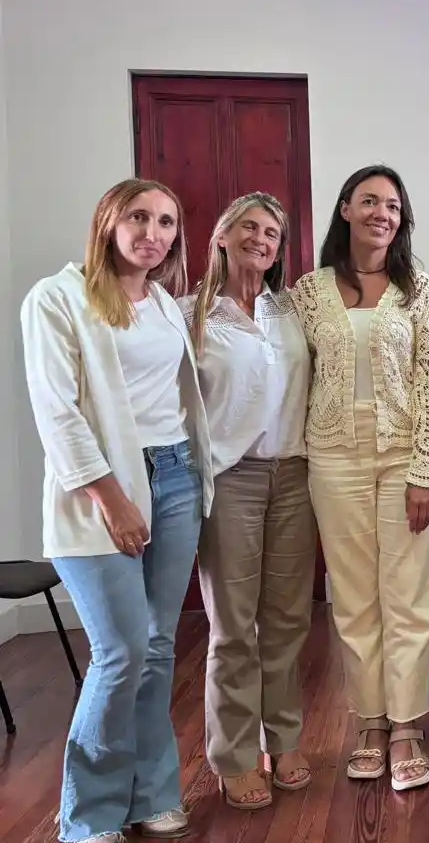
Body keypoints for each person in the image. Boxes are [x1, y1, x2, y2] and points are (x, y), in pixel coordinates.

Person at [21, 178, 213, 843]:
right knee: (120, 651)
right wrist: (112, 496)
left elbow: (179, 400)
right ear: (108, 220)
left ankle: (151, 793)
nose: (152, 233)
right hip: (100, 493)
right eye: (138, 217)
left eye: (165, 221)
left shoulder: (164, 303)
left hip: (177, 478)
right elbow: (57, 409)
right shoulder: (57, 298)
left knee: (158, 648)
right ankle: (89, 813)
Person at [292, 164, 429, 792]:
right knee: (355, 597)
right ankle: (370, 722)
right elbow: (290, 372)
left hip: (403, 455)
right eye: (369, 202)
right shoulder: (308, 292)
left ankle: (409, 726)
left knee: (408, 593)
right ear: (345, 209)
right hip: (332, 454)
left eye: (392, 205)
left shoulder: (420, 289)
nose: (381, 214)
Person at [181, 192, 315, 809]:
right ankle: (234, 755)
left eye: (273, 233)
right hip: (229, 479)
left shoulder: (292, 311)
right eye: (251, 229)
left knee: (288, 620)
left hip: (294, 475)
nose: (262, 240)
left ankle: (283, 739)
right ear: (222, 237)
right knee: (234, 626)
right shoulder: (190, 315)